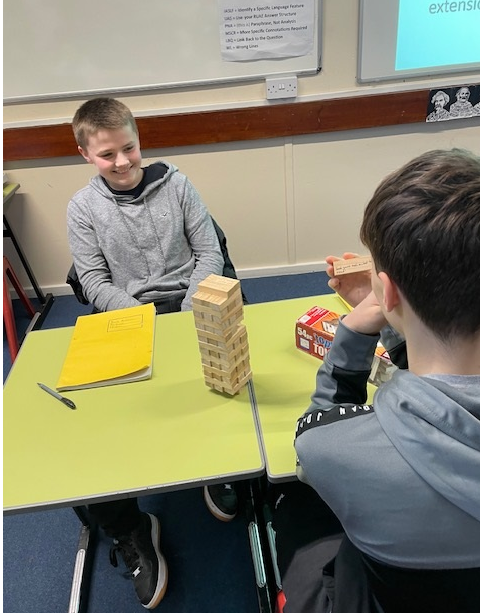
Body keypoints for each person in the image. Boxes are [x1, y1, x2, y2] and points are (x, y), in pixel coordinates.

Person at [276, 149, 480, 612]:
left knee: (292, 506)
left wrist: (353, 334)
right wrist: (400, 319)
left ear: (386, 291)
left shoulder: (337, 451)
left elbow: (317, 437)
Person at [68, 97, 238, 609]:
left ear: (139, 140)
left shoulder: (179, 185)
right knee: (101, 428)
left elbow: (209, 252)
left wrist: (187, 310)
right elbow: (93, 279)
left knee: (221, 382)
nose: (121, 162)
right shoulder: (81, 208)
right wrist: (140, 321)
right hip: (127, 315)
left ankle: (219, 468)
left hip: (191, 301)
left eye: (129, 148)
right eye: (106, 155)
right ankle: (132, 526)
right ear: (85, 155)